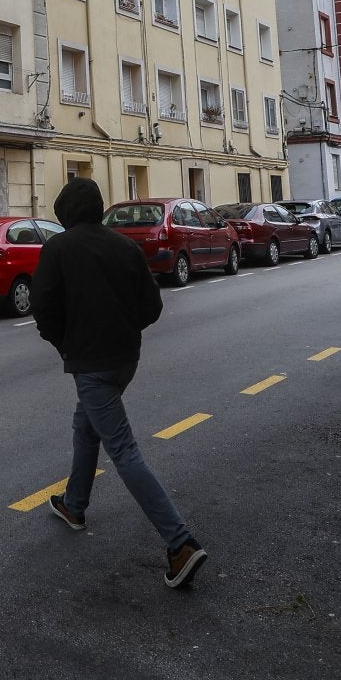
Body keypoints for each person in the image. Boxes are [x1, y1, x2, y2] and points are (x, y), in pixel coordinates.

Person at [31, 176, 207, 589]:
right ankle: (74, 505)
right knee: (85, 424)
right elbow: (152, 306)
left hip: (90, 363)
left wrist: (66, 343)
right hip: (126, 359)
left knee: (124, 450)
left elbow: (43, 308)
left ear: (66, 214)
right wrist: (126, 330)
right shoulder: (125, 246)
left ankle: (180, 542)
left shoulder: (58, 248)